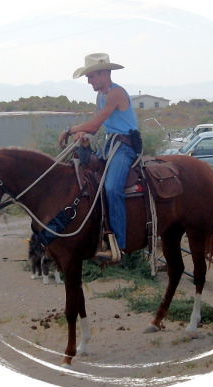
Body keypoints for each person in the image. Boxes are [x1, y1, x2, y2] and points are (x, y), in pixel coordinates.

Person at [58, 53, 139, 262]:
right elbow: (94, 127)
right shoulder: (101, 96)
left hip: (125, 147)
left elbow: (94, 125)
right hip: (109, 145)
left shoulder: (116, 93)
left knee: (112, 188)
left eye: (92, 76)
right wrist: (82, 135)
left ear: (104, 73)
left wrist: (69, 130)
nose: (89, 81)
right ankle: (96, 233)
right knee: (87, 180)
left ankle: (118, 245)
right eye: (88, 77)